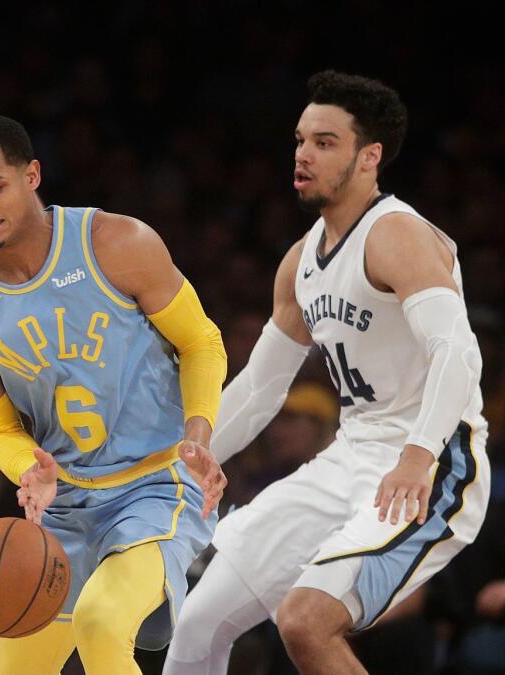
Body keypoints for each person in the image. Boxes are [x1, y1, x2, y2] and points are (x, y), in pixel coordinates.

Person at [163, 71, 491, 675]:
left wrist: (417, 455)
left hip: (434, 462)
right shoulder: (299, 263)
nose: (302, 155)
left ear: (370, 157)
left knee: (305, 621)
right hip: (351, 458)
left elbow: (459, 352)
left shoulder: (397, 235)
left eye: (324, 142)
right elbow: (261, 389)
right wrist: (185, 456)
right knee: (196, 620)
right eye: (299, 140)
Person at [0, 114, 228, 674]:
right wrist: (29, 469)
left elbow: (201, 342)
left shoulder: (116, 243)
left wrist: (198, 431)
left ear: (32, 176)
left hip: (156, 483)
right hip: (65, 501)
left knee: (103, 623)